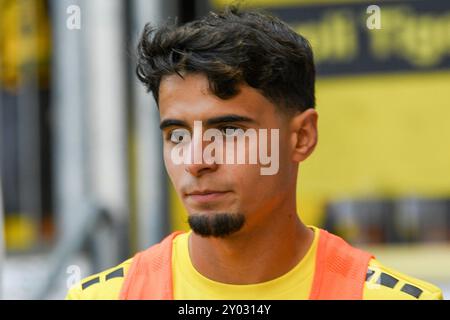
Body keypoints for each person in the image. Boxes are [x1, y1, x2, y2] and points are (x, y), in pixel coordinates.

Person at [66, 6, 443, 300]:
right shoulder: (105, 294)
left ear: (302, 137)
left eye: (228, 131)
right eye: (177, 135)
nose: (196, 161)